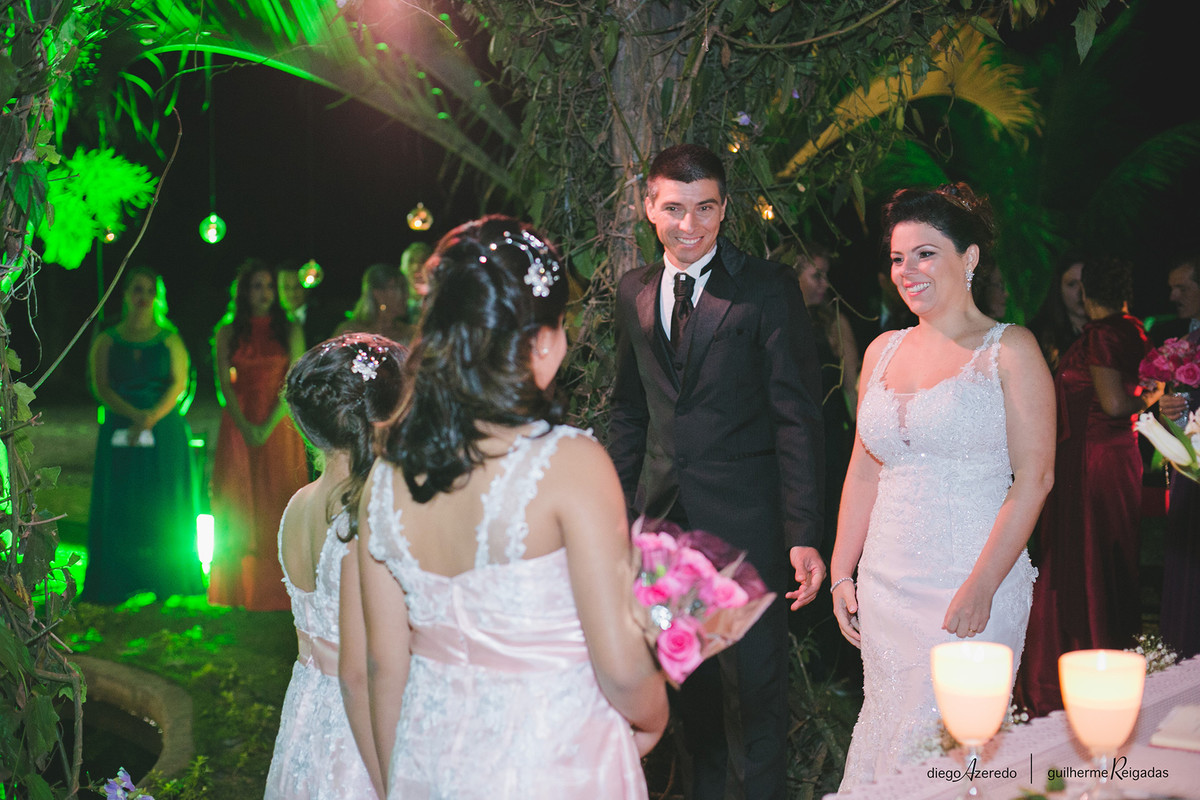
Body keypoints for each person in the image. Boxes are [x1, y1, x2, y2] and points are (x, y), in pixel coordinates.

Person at [358, 216, 667, 798]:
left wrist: (399, 779)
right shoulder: (572, 465)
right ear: (543, 342)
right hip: (554, 761)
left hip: (431, 760)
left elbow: (383, 664)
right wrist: (654, 716)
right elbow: (622, 668)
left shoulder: (385, 477)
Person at [608, 143, 825, 800]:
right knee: (692, 709)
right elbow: (628, 412)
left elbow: (796, 417)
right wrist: (618, 522)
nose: (690, 224)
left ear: (725, 209)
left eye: (705, 208)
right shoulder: (633, 291)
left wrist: (803, 532)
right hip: (663, 535)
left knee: (755, 704)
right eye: (675, 208)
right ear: (649, 207)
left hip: (748, 530)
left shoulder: (766, 288)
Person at [831, 183, 1055, 787]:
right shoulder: (881, 351)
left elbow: (1035, 479)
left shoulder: (1010, 350)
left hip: (971, 578)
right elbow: (864, 468)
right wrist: (842, 570)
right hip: (885, 585)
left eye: (925, 253)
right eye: (898, 258)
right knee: (890, 736)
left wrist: (983, 584)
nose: (908, 271)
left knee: (949, 753)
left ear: (969, 257)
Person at [1015, 256, 1163, 717]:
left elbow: (1115, 403)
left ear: (1086, 292)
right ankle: (1103, 660)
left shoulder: (1101, 334)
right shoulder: (1134, 330)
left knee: (1085, 559)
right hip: (1113, 458)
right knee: (1107, 559)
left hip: (1092, 462)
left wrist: (1152, 395)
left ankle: (1073, 666)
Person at [265, 333, 407, 800]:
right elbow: (359, 671)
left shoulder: (298, 504)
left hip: (306, 713)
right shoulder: (365, 515)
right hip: (362, 726)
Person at [82, 268, 204, 604]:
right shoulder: (107, 339)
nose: (143, 296)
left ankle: (167, 576)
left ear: (157, 297)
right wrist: (133, 415)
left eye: (150, 290)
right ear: (125, 294)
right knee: (122, 500)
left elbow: (179, 383)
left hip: (163, 430)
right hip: (119, 426)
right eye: (137, 289)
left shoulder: (169, 338)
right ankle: (120, 577)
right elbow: (101, 385)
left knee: (163, 503)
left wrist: (150, 417)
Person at [208, 258, 308, 611]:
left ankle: (279, 589)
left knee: (278, 497)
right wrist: (244, 424)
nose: (264, 293)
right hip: (239, 422)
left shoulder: (290, 329)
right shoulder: (227, 331)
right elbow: (224, 384)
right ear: (244, 291)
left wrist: (267, 425)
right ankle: (239, 590)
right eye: (256, 286)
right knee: (240, 502)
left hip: (279, 423)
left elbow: (294, 381)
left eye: (268, 286)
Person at [1152, 255, 1200, 659]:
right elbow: (1182, 409)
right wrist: (1172, 409)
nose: (1172, 296)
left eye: (1182, 287)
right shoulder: (1184, 340)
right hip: (1190, 468)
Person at [1030, 255, 1088, 372]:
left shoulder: (1107, 333)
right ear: (1058, 287)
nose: (1080, 291)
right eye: (1072, 284)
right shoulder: (1039, 335)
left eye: (1085, 282)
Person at [335, 263, 416, 345]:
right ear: (379, 294)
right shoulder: (350, 332)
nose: (406, 296)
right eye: (400, 289)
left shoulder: (410, 334)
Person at [278, 263, 334, 348]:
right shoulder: (270, 321)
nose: (292, 293)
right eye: (286, 287)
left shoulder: (324, 320)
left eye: (297, 286)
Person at [399, 240, 433, 318]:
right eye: (411, 262)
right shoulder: (394, 303)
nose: (416, 267)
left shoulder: (439, 301)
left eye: (422, 261)